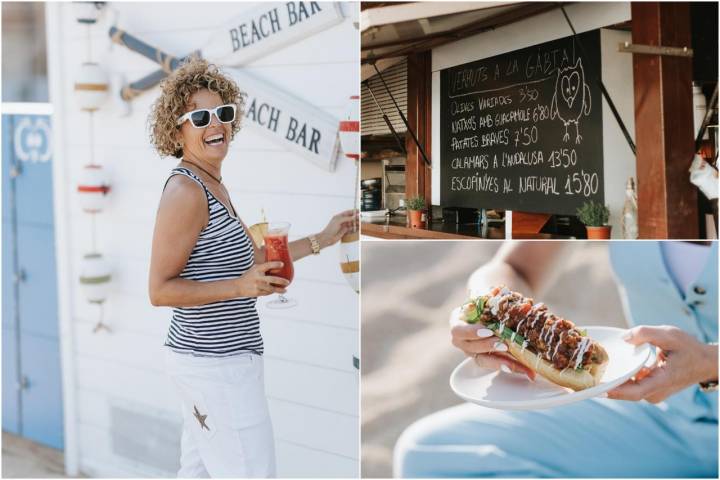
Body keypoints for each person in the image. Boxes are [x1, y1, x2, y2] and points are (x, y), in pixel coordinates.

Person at [147, 58, 356, 477]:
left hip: (213, 361)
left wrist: (323, 237)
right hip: (214, 364)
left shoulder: (212, 184)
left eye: (223, 113)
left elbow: (253, 260)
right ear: (177, 131)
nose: (216, 124)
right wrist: (241, 288)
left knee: (200, 473)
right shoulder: (186, 191)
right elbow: (160, 290)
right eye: (200, 116)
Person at [394, 242, 718, 478]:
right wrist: (488, 305)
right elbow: (513, 267)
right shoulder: (609, 164)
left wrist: (708, 361)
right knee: (429, 453)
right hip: (664, 421)